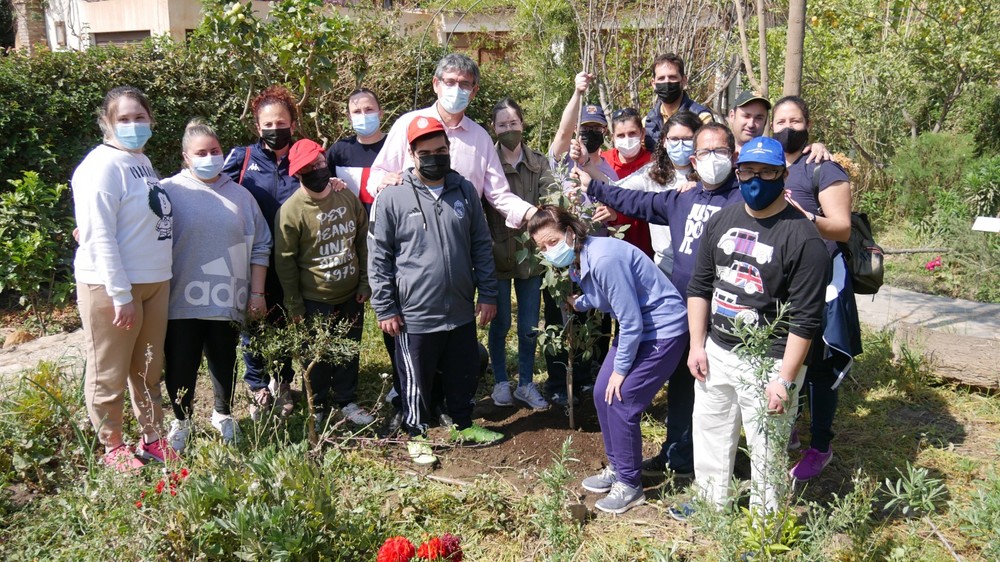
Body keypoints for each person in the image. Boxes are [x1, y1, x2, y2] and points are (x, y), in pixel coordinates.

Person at [367, 53, 535, 427]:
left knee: (457, 349)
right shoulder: (407, 125)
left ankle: (452, 413)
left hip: (458, 264)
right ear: (435, 84)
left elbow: (498, 194)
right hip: (413, 265)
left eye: (464, 84)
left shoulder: (478, 138)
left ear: (474, 91)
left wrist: (535, 216)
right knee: (415, 351)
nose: (456, 90)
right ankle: (413, 416)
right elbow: (377, 176)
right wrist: (387, 185)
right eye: (450, 82)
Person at [577, 120, 744, 480]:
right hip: (684, 310)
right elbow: (634, 200)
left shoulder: (745, 201)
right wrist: (594, 186)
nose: (713, 159)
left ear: (733, 155)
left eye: (720, 152)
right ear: (694, 161)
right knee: (683, 385)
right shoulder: (682, 198)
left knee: (713, 391)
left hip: (725, 314)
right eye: (705, 152)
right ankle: (678, 454)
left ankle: (710, 472)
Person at [683, 136, 828, 514]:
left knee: (767, 450)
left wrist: (784, 379)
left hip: (770, 360)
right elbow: (699, 286)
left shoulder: (803, 238)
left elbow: (806, 319)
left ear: (783, 175)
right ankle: (711, 510)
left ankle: (765, 529)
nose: (756, 180)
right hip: (717, 350)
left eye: (767, 172)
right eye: (748, 170)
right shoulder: (721, 221)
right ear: (738, 170)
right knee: (711, 435)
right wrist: (697, 344)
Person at [528, 205, 689, 514]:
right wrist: (583, 301)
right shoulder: (580, 258)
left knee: (622, 398)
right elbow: (609, 297)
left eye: (552, 241)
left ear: (570, 233)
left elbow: (630, 321)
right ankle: (618, 466)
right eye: (542, 247)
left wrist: (621, 370)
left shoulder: (603, 258)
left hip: (662, 330)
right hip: (640, 328)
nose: (549, 251)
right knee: (603, 395)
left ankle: (630, 486)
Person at [368, 116, 502, 465]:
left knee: (463, 367)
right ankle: (417, 433)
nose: (434, 157)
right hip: (414, 312)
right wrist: (385, 307)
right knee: (415, 377)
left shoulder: (464, 191)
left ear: (449, 151)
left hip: (459, 305)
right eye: (425, 152)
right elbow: (379, 257)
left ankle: (463, 424)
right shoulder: (392, 198)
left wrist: (487, 294)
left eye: (440, 150)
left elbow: (481, 246)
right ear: (412, 154)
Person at [222, 85, 347, 420]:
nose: (274, 130)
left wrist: (334, 184)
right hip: (255, 259)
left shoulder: (304, 157)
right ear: (256, 126)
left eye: (281, 123)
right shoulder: (242, 158)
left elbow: (322, 187)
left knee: (291, 321)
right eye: (268, 124)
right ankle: (258, 386)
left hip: (297, 260)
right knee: (256, 322)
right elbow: (210, 186)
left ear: (293, 124)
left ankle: (285, 383)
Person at [71, 86, 177, 470]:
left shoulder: (140, 160)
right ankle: (113, 445)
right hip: (113, 287)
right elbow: (99, 234)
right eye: (124, 119)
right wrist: (120, 294)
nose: (133, 125)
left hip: (153, 282)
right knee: (109, 371)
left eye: (140, 117)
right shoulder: (101, 166)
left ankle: (152, 438)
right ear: (107, 122)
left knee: (148, 370)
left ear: (150, 120)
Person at [161, 120, 272, 452]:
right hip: (180, 298)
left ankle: (222, 415)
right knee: (181, 363)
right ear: (185, 156)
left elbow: (261, 245)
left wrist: (256, 293)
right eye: (201, 153)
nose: (209, 157)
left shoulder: (241, 196)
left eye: (215, 151)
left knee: (224, 360)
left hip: (227, 298)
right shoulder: (167, 191)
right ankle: (181, 421)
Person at [771, 96, 862, 481]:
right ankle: (788, 427)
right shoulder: (769, 164)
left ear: (808, 125)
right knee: (785, 358)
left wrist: (806, 217)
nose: (787, 127)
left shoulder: (822, 167)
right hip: (782, 281)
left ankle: (820, 446)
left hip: (822, 280)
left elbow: (842, 226)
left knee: (820, 369)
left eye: (795, 120)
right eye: (780, 121)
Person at [275, 139, 374, 427]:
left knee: (348, 349)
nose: (316, 170)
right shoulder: (291, 211)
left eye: (319, 163)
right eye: (308, 168)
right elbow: (285, 261)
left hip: (350, 293)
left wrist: (365, 282)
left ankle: (346, 400)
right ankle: (316, 404)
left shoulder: (346, 197)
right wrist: (293, 302)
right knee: (315, 355)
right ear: (297, 174)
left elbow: (363, 241)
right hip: (314, 297)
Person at [486, 98, 552, 410]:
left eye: (513, 123)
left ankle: (526, 383)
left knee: (528, 326)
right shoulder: (486, 162)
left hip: (531, 258)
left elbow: (551, 200)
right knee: (499, 324)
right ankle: (501, 381)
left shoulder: (538, 162)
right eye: (502, 125)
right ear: (493, 129)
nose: (509, 129)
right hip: (496, 255)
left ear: (522, 124)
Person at [599, 107, 653, 257]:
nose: (627, 139)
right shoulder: (603, 161)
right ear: (613, 137)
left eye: (632, 133)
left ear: (642, 133)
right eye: (621, 135)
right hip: (610, 247)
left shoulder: (653, 163)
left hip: (645, 247)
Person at [326, 87, 386, 213]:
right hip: (350, 229)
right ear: (349, 118)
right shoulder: (338, 151)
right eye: (357, 111)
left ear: (380, 113)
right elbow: (321, 185)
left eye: (369, 109)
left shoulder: (396, 146)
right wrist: (331, 183)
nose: (363, 115)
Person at [643, 53, 714, 150]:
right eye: (661, 78)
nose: (666, 82)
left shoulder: (702, 118)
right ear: (654, 84)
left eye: (672, 77)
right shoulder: (647, 122)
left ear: (684, 80)